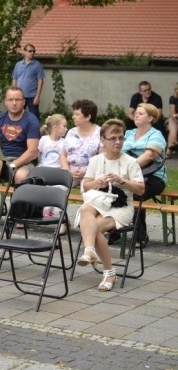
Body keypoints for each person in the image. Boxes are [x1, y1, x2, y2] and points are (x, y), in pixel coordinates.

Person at [75, 119, 144, 292]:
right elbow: (86, 186)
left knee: (94, 228)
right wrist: (98, 181)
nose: (117, 142)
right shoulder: (96, 160)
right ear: (103, 140)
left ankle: (108, 271)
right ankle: (90, 251)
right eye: (113, 138)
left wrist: (122, 181)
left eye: (120, 138)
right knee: (85, 208)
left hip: (120, 207)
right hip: (99, 202)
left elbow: (141, 190)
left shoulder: (130, 162)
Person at [124, 102, 167, 245]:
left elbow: (149, 157)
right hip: (130, 175)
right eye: (136, 112)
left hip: (153, 177)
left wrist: (126, 169)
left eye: (141, 113)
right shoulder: (128, 133)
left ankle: (140, 236)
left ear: (150, 118)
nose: (136, 114)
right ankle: (115, 229)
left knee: (134, 193)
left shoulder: (157, 135)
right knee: (111, 189)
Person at [0, 86, 41, 184]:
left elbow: (33, 151)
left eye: (17, 100)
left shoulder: (32, 121)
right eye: (10, 100)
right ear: (5, 102)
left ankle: (17, 199)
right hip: (2, 158)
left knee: (20, 176)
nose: (14, 103)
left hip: (25, 161)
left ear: (23, 102)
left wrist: (13, 165)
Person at [59, 100, 101, 187]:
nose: (73, 117)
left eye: (77, 114)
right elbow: (63, 155)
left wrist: (87, 173)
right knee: (58, 189)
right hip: (70, 173)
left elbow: (103, 160)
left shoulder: (101, 134)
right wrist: (67, 172)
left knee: (88, 190)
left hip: (91, 175)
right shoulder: (71, 132)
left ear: (88, 117)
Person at [11, 43, 45, 119]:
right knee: (17, 115)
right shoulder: (18, 65)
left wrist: (37, 96)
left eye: (33, 51)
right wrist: (13, 94)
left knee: (34, 117)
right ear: (24, 52)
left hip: (32, 96)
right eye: (30, 51)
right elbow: (14, 79)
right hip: (19, 96)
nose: (32, 53)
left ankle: (35, 131)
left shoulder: (37, 65)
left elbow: (40, 81)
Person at [168, 82, 178, 158]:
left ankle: (169, 150)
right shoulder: (173, 98)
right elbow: (172, 113)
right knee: (172, 120)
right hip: (175, 119)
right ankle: (174, 142)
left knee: (172, 124)